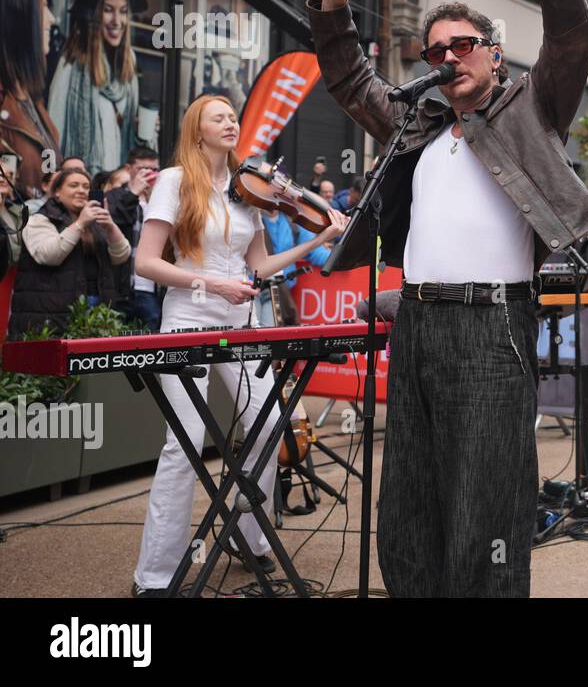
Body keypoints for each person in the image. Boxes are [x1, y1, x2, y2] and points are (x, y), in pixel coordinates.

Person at [309, 0, 588, 598]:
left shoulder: (529, 109)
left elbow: (572, 38)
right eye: (433, 50)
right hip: (417, 326)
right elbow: (347, 80)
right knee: (407, 498)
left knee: (486, 503)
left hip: (491, 328)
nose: (445, 59)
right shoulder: (416, 121)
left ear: (493, 56)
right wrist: (334, 6)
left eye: (460, 47)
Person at [129, 95, 347, 596]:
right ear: (197, 130)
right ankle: (155, 577)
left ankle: (247, 538)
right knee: (183, 444)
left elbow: (261, 268)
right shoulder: (175, 181)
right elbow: (145, 262)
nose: (230, 122)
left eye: (234, 117)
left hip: (241, 320)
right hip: (187, 319)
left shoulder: (247, 190)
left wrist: (318, 240)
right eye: (218, 117)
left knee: (271, 423)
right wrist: (210, 284)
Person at [48, 0, 145, 178]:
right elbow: (54, 133)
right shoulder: (73, 62)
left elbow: (127, 138)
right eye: (108, 9)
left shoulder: (128, 63)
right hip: (83, 185)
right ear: (94, 14)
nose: (117, 21)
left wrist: (143, 129)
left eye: (123, 11)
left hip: (117, 187)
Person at [6, 167, 132, 338]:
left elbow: (121, 256)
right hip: (49, 314)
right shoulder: (40, 219)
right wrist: (80, 224)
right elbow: (49, 255)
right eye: (73, 185)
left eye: (86, 187)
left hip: (96, 309)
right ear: (57, 192)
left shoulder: (96, 223)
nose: (81, 190)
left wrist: (110, 226)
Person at [0, 0, 61, 200]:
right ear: (21, 17)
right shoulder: (6, 106)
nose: (51, 18)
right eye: (43, 5)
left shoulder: (32, 102)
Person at [105, 145, 162, 331]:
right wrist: (133, 194)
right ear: (129, 169)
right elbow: (115, 224)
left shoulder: (161, 200)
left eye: (154, 169)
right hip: (121, 286)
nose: (149, 174)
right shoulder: (114, 196)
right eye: (143, 169)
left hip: (151, 287)